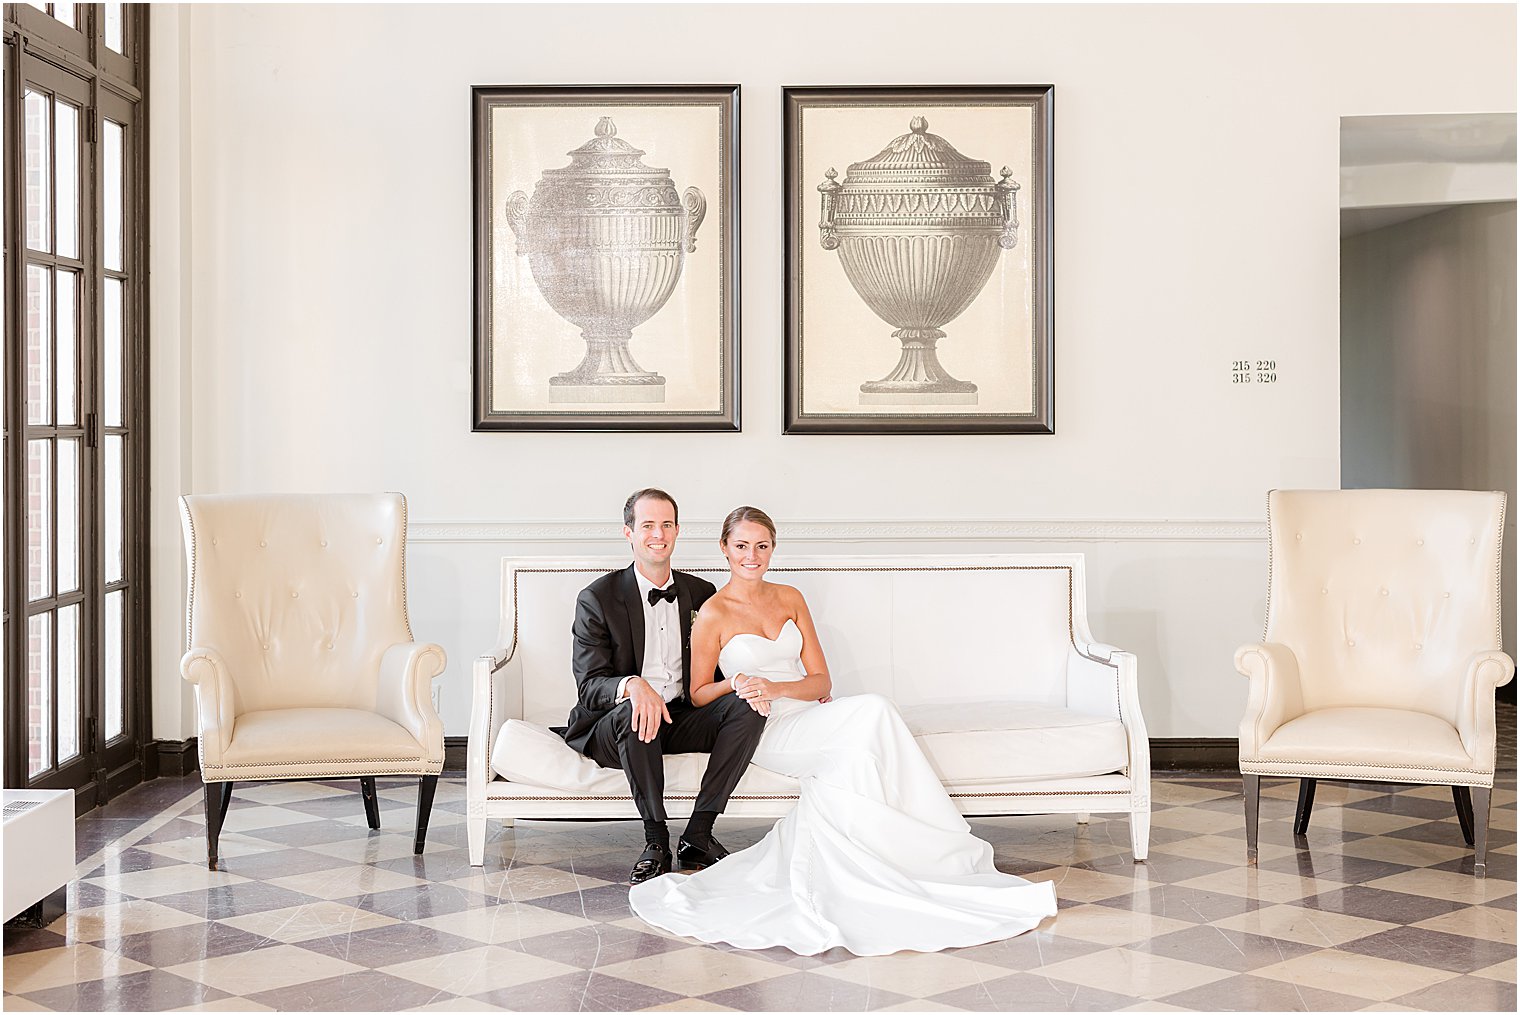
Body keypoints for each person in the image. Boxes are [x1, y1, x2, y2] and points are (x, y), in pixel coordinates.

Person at [628, 506, 1059, 955]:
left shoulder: (791, 597)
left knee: (872, 717)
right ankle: (927, 839)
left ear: (772, 549)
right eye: (741, 546)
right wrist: (738, 683)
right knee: (872, 712)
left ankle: (903, 856)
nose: (751, 555)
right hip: (764, 726)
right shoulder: (713, 613)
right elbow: (698, 693)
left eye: (761, 546)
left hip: (806, 712)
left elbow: (821, 682)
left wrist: (778, 685)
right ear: (724, 548)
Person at [562, 489, 768, 886]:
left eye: (667, 524)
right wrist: (632, 685)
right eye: (648, 525)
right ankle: (656, 840)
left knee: (747, 707)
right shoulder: (597, 598)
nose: (659, 534)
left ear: (677, 531)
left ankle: (698, 835)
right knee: (636, 708)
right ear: (629, 533)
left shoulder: (700, 593)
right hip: (615, 724)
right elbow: (589, 687)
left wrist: (782, 683)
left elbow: (729, 658)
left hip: (683, 714)